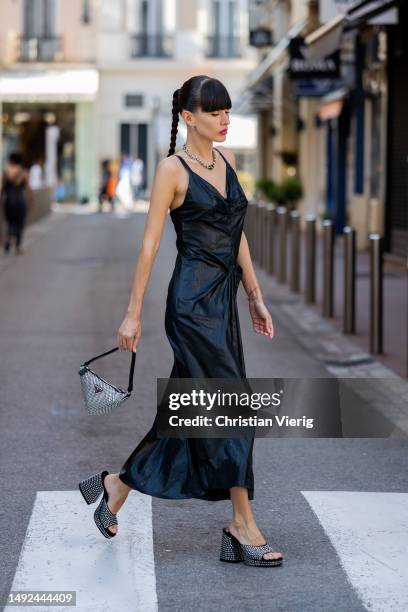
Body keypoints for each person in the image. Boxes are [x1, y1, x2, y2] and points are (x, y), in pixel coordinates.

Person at [78, 76, 283, 567]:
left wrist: (255, 295)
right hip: (191, 306)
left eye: (228, 112)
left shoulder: (227, 162)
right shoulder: (171, 170)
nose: (225, 120)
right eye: (215, 113)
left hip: (224, 301)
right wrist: (132, 314)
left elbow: (237, 236)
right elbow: (149, 246)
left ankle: (116, 485)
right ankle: (242, 524)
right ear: (189, 117)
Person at [1, 152, 33, 255]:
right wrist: (31, 199)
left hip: (9, 200)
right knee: (20, 222)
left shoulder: (5, 172)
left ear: (11, 160)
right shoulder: (23, 172)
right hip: (20, 200)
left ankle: (8, 242)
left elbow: (2, 189)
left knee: (10, 222)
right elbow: (28, 188)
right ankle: (18, 246)